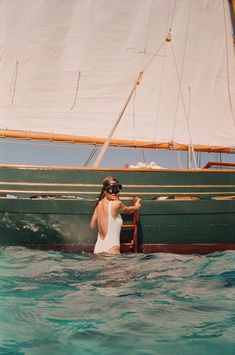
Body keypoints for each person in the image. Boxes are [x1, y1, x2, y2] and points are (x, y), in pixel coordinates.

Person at [90, 176, 141, 254]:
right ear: (105, 191)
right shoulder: (116, 204)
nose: (114, 192)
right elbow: (128, 210)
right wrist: (137, 205)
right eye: (111, 189)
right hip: (112, 249)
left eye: (117, 188)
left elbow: (92, 225)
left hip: (98, 249)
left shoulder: (99, 205)